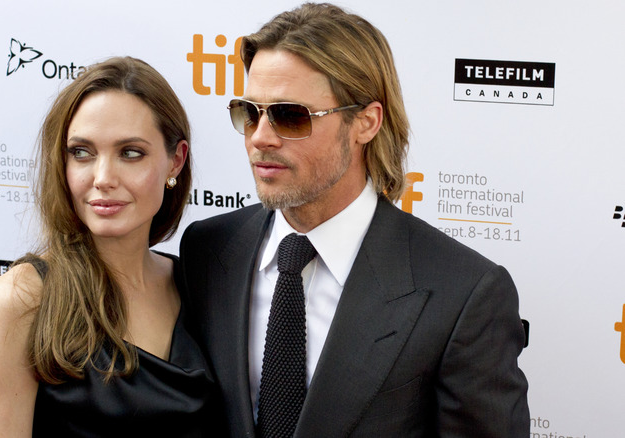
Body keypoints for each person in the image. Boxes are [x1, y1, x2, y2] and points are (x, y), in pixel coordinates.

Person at [180, 3, 529, 437]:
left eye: (290, 116)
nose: (260, 138)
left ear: (365, 122)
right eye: (250, 113)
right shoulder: (207, 250)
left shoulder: (463, 293)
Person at [0, 57, 219, 437]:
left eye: (130, 153)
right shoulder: (23, 299)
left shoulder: (200, 285)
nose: (103, 178)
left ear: (176, 160)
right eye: (82, 152)